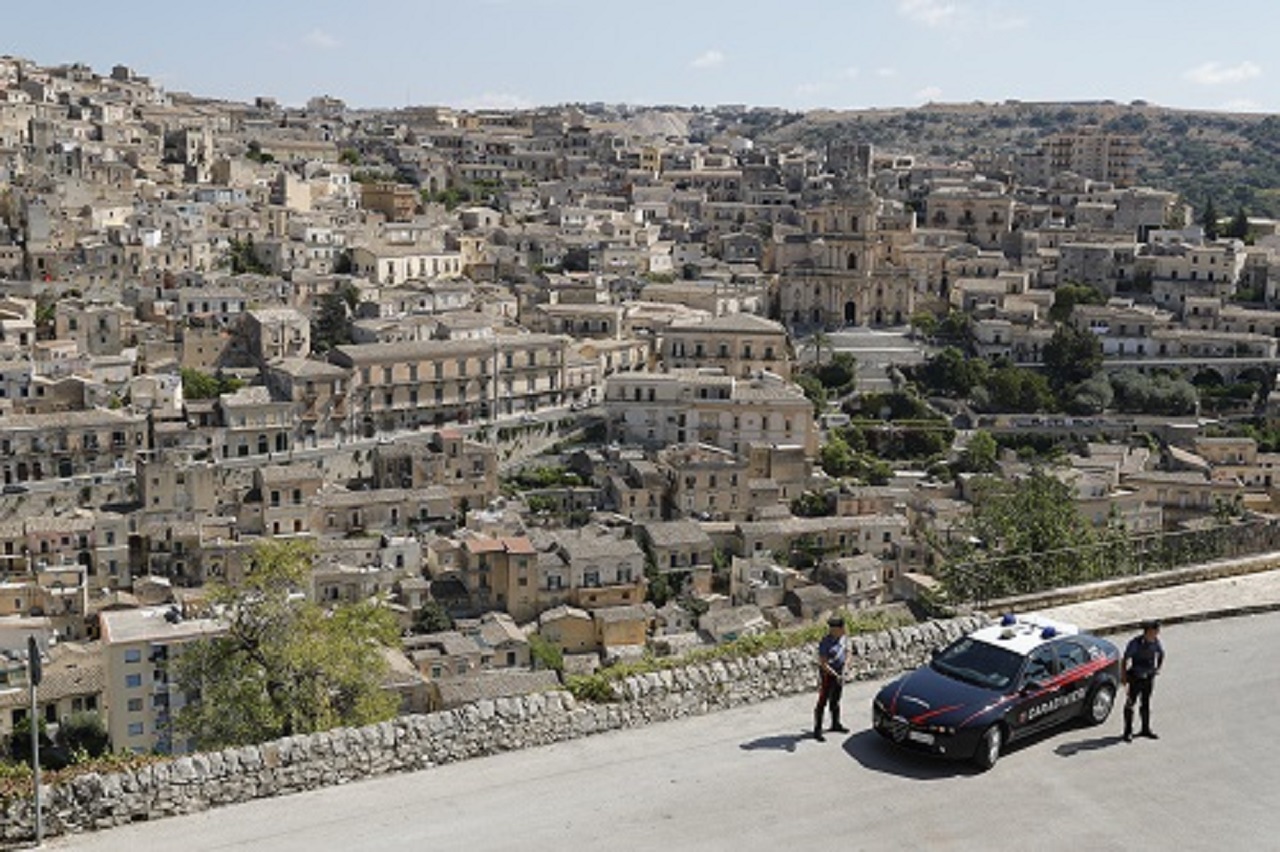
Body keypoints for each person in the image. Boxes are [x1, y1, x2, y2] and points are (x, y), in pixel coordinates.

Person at [1122, 619, 1165, 742]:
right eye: (1156, 630)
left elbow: (1161, 654)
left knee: (1145, 703)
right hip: (1136, 677)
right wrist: (1124, 677)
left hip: (1149, 677)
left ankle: (1145, 729)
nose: (1157, 632)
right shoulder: (1135, 643)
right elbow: (1125, 659)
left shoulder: (1155, 642)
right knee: (1130, 704)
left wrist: (1158, 668)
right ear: (1149, 631)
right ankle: (1127, 731)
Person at [813, 615, 849, 741]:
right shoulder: (825, 642)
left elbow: (847, 652)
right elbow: (823, 663)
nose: (844, 630)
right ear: (834, 629)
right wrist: (836, 675)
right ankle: (817, 730)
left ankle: (835, 724)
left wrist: (845, 669)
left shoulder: (844, 638)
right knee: (823, 701)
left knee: (836, 699)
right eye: (842, 628)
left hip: (840, 672)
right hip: (828, 674)